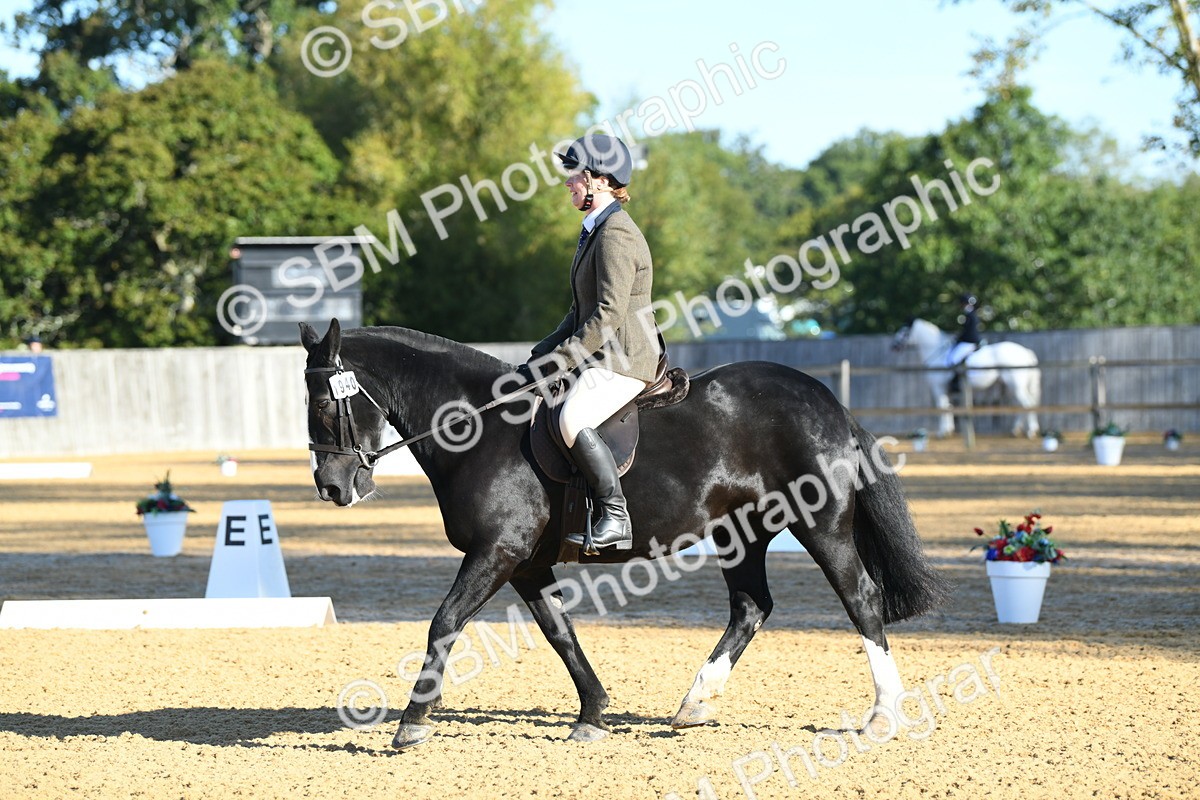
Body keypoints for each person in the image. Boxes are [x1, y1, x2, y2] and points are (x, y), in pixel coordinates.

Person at [515, 134, 660, 552]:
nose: (568, 183)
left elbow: (609, 314)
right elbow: (580, 311)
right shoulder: (595, 229)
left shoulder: (616, 234)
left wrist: (562, 359)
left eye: (574, 175)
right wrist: (543, 351)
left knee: (571, 419)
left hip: (626, 357)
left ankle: (616, 516)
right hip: (604, 352)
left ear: (598, 180)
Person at [946, 293, 981, 393]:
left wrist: (959, 339)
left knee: (953, 359)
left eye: (963, 304)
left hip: (968, 342)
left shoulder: (970, 315)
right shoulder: (971, 314)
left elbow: (968, 332)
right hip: (969, 341)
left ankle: (956, 381)